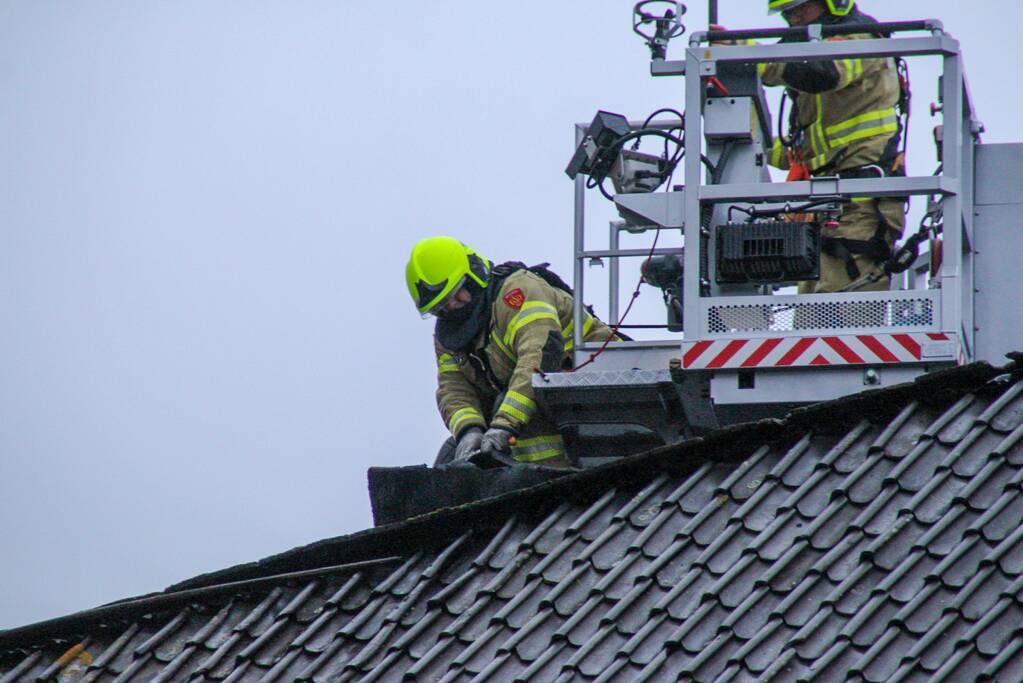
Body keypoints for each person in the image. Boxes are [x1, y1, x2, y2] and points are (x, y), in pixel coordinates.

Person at [718, 0, 907, 293]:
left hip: (859, 200)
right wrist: (751, 144)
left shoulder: (861, 39)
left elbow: (823, 73)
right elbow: (802, 151)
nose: (793, 18)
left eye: (801, 8)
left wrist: (747, 50)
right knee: (811, 308)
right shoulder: (813, 50)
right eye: (787, 13)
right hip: (824, 202)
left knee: (840, 308)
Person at [405, 236, 618, 469]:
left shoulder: (518, 292)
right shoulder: (449, 335)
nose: (452, 307)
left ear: (473, 274)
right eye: (441, 307)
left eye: (457, 294)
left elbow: (537, 360)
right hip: (533, 423)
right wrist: (469, 430)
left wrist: (503, 425)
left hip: (598, 398)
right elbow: (453, 387)